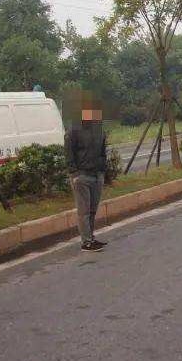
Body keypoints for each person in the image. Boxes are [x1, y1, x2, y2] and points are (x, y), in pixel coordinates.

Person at [65, 101, 108, 252]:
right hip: (82, 176)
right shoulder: (74, 130)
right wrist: (74, 173)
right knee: (83, 211)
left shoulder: (99, 130)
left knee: (92, 210)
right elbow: (69, 153)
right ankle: (86, 242)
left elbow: (103, 152)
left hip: (97, 175)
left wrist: (103, 171)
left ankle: (91, 236)